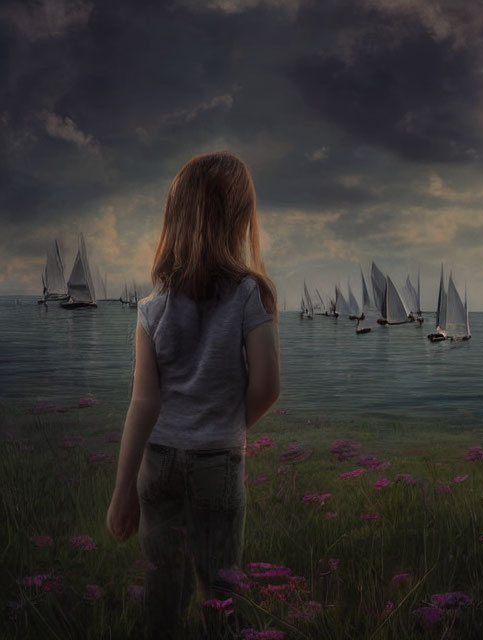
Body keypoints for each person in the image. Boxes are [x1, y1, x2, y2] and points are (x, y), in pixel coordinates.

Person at [105, 152, 280, 638]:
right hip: (217, 463)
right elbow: (267, 387)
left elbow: (143, 403)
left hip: (156, 464)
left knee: (163, 592)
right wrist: (228, 422)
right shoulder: (251, 294)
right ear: (240, 219)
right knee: (220, 594)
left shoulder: (151, 308)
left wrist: (122, 493)